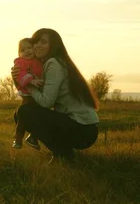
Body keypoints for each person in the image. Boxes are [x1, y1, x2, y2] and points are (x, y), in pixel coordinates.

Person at [12, 28, 99, 161]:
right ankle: (63, 153)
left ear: (53, 45)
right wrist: (18, 79)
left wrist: (28, 84)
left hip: (83, 130)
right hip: (82, 128)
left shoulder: (54, 63)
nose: (37, 46)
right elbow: (33, 97)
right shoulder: (49, 64)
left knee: (24, 112)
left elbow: (46, 102)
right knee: (21, 113)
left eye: (43, 42)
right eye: (35, 42)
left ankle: (63, 154)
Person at [12, 38, 43, 150]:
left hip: (38, 94)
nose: (27, 51)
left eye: (29, 48)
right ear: (19, 53)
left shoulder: (38, 61)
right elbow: (20, 74)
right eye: (23, 50)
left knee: (39, 117)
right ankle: (18, 139)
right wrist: (31, 80)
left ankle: (33, 138)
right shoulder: (20, 62)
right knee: (23, 116)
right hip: (28, 95)